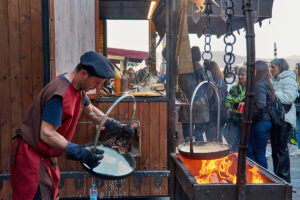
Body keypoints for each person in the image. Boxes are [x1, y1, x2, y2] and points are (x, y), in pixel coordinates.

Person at [10, 51, 134, 199]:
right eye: (96, 83)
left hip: (45, 156)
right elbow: (47, 133)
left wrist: (116, 125)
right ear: (83, 73)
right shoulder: (60, 95)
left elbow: (91, 111)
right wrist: (79, 151)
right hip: (31, 157)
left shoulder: (78, 88)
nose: (97, 87)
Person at [270, 58, 298, 182]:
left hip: (284, 120)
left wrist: (272, 94)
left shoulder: (288, 79)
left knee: (281, 150)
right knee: (275, 149)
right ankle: (278, 177)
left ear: (280, 68)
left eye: (273, 67)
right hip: (277, 118)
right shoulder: (274, 79)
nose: (270, 70)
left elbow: (289, 97)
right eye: (270, 67)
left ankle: (284, 179)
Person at [178, 46, 209, 142]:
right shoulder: (200, 68)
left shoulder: (184, 68)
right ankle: (199, 155)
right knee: (199, 136)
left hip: (186, 103)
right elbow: (208, 83)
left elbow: (179, 85)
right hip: (201, 105)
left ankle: (188, 153)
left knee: (187, 137)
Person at [247, 61, 274, 169]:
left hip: (260, 123)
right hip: (265, 122)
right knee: (259, 152)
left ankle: (261, 178)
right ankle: (260, 178)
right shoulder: (266, 82)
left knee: (257, 153)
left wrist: (249, 115)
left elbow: (260, 105)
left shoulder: (259, 85)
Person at [223, 66, 247, 152]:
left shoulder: (251, 89)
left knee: (242, 142)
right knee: (231, 139)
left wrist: (235, 102)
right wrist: (237, 102)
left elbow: (233, 101)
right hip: (234, 118)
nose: (240, 76)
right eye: (239, 74)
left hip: (245, 120)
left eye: (243, 75)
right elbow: (228, 102)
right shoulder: (234, 88)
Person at [204, 61, 227, 142]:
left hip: (212, 111)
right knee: (219, 134)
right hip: (222, 112)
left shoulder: (208, 82)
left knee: (210, 135)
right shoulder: (222, 81)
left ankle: (211, 152)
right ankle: (219, 151)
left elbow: (209, 97)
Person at [290, 63, 300, 157]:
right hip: (296, 109)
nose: (295, 70)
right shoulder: (294, 81)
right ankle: (299, 148)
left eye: (297, 68)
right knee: (297, 129)